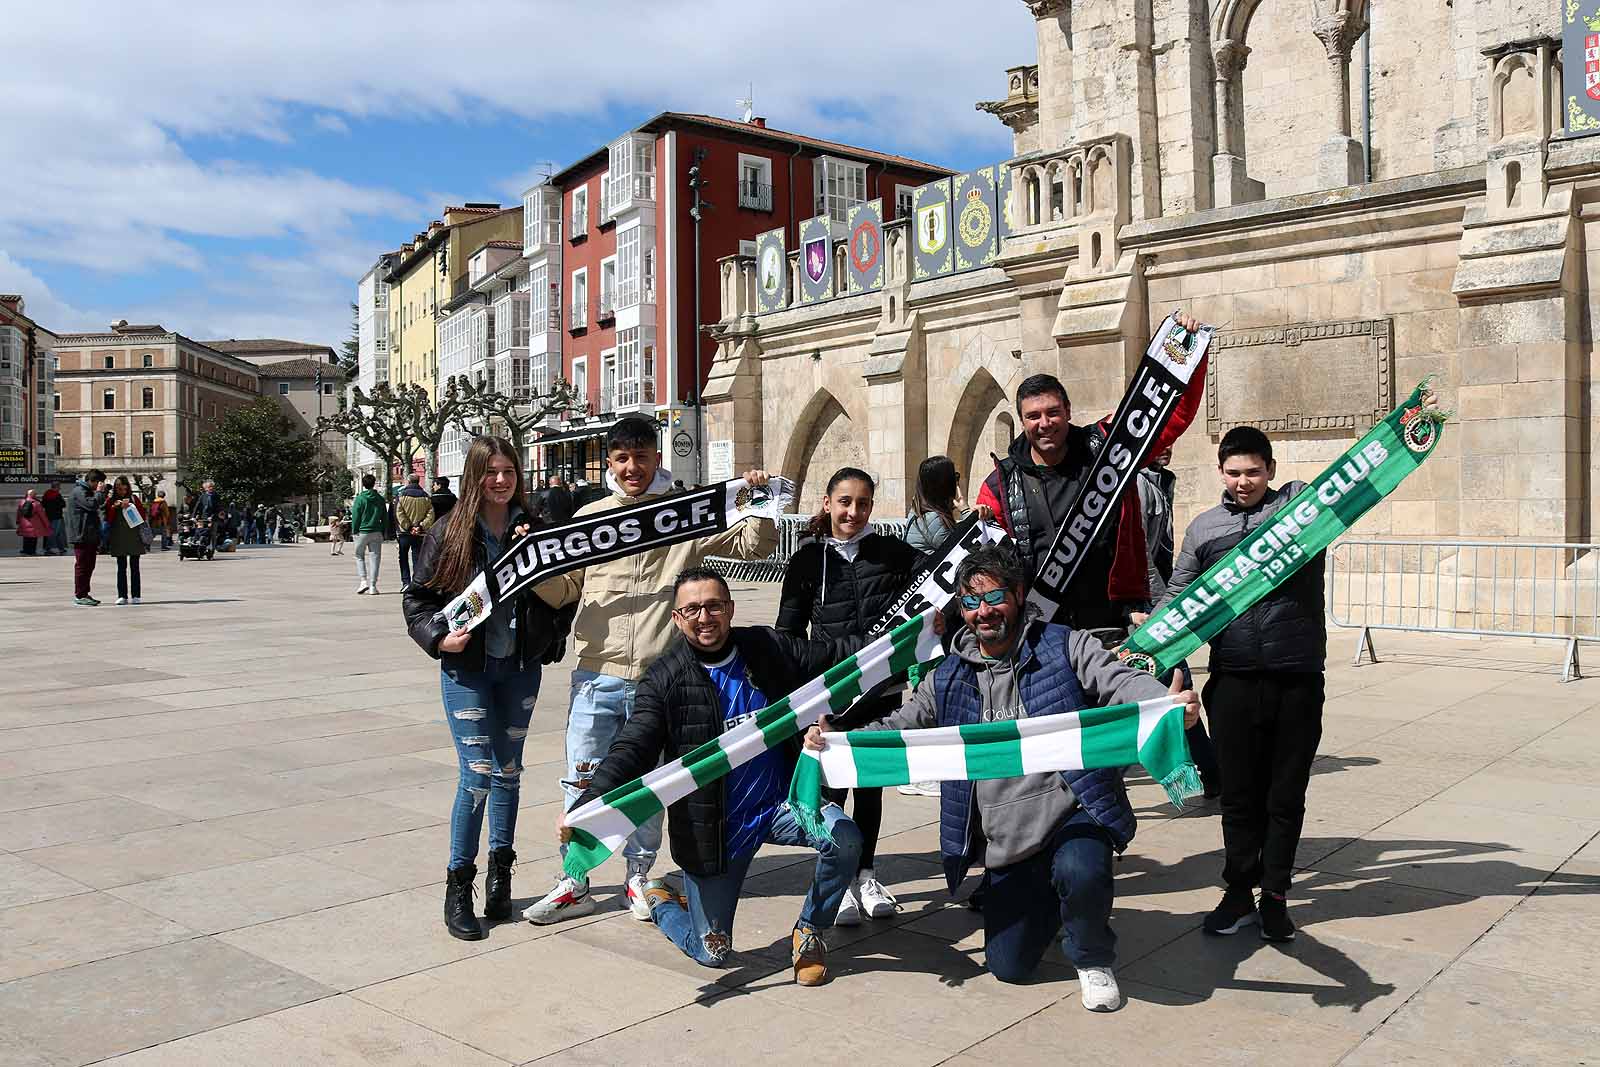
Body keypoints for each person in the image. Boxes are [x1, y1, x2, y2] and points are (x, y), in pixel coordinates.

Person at [805, 546, 1199, 1011]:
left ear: (1018, 594)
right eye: (970, 603)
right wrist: (839, 739)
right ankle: (1053, 904)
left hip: (1071, 808)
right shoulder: (947, 676)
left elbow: (1118, 680)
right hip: (1005, 834)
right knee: (1009, 967)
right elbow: (902, 725)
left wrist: (1166, 706)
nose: (984, 611)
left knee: (1081, 869)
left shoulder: (1065, 645)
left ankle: (1092, 955)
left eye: (995, 597)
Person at [524, 415, 780, 925]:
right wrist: (534, 568)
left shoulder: (681, 513)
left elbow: (752, 548)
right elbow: (566, 588)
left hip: (661, 679)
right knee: (581, 780)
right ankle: (574, 878)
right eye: (621, 458)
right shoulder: (589, 518)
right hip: (596, 674)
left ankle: (638, 876)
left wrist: (760, 502)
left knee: (649, 783)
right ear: (610, 463)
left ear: (656, 460)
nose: (631, 467)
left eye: (641, 457)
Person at [563, 568, 864, 985]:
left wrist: (914, 635)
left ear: (730, 609)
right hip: (716, 828)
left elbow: (839, 655)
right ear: (676, 618)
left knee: (845, 838)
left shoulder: (765, 647)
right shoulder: (664, 680)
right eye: (692, 609)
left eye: (714, 606)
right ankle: (661, 898)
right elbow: (632, 749)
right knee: (713, 954)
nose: (704, 617)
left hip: (785, 804)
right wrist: (586, 805)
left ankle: (810, 930)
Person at [1156, 426, 1325, 945]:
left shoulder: (1302, 513)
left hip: (1295, 679)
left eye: (1254, 471)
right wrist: (1163, 656)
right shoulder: (1205, 529)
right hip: (1231, 682)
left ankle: (1274, 896)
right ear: (1220, 475)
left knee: (1285, 796)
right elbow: (1178, 598)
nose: (1244, 481)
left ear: (1270, 470)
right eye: (1233, 472)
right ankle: (1238, 891)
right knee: (1239, 798)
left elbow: (1349, 481)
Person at [404, 436, 573, 941]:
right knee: (476, 775)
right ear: (473, 476)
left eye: (509, 472)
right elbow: (417, 600)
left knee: (509, 773)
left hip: (520, 669)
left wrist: (552, 637)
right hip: (469, 671)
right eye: (490, 472)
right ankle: (459, 886)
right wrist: (437, 638)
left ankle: (502, 874)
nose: (501, 481)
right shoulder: (449, 533)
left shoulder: (534, 530)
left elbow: (564, 593)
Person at [975, 313, 1203, 632]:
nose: (1045, 423)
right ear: (1022, 420)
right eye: (1033, 416)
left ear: (1068, 412)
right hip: (1042, 627)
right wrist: (977, 526)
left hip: (1112, 620)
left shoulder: (1108, 448)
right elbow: (985, 567)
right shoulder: (999, 484)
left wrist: (1191, 354)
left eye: (1053, 413)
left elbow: (1172, 418)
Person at [777, 467, 920, 925]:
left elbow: (940, 580)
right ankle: (837, 879)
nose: (852, 512)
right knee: (833, 787)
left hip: (881, 691)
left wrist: (973, 526)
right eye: (844, 502)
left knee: (871, 785)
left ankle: (866, 873)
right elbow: (788, 631)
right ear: (827, 503)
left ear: (872, 507)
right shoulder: (807, 561)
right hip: (831, 692)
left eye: (862, 503)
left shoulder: (893, 554)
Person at [1133, 449, 1220, 797]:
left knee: (1177, 686)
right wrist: (1158, 610)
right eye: (1161, 438)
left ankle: (1211, 771)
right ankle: (1211, 771)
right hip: (1149, 608)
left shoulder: (1157, 480)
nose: (1169, 446)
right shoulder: (1137, 484)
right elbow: (1138, 553)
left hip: (1158, 603)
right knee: (1175, 684)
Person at [905, 455, 984, 553]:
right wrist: (965, 511)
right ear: (944, 484)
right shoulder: (932, 520)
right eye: (954, 477)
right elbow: (966, 550)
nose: (956, 483)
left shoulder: (922, 510)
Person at [104, 476, 148, 605]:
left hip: (134, 537)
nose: (122, 492)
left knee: (135, 567)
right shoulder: (111, 500)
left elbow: (142, 516)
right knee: (121, 567)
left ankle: (136, 595)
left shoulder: (134, 499)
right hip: (118, 537)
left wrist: (130, 506)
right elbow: (108, 518)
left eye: (124, 489)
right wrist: (115, 507)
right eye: (119, 489)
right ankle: (122, 595)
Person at [67, 470, 108, 606]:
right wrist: (100, 492)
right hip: (82, 535)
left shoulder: (86, 491)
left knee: (89, 565)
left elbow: (97, 504)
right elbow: (92, 505)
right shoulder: (79, 491)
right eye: (99, 483)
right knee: (82, 566)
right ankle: (79, 595)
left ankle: (84, 593)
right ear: (92, 481)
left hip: (89, 535)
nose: (100, 486)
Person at [395, 473, 436, 591]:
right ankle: (416, 581)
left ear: (408, 481)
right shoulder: (426, 497)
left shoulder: (401, 496)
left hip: (405, 533)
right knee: (417, 557)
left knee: (403, 557)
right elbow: (430, 514)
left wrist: (409, 527)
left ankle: (405, 582)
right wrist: (420, 527)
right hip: (420, 533)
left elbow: (399, 513)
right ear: (418, 482)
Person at [350, 474, 387, 595]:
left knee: (359, 556)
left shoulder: (360, 498)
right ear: (374, 483)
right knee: (375, 558)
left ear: (363, 484)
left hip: (362, 531)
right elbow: (384, 517)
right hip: (376, 530)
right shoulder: (380, 499)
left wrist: (354, 530)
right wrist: (384, 530)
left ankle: (363, 581)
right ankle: (373, 586)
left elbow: (356, 516)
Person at [15, 489, 51, 556]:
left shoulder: (22, 502)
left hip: (24, 524)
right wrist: (47, 524)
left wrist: (18, 521)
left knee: (26, 537)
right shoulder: (36, 503)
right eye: (35, 494)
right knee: (33, 538)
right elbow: (42, 515)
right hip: (34, 525)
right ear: (33, 495)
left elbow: (19, 513)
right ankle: (32, 551)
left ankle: (25, 550)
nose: (36, 495)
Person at [41, 484, 68, 555]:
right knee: (54, 533)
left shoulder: (46, 494)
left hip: (48, 516)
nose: (60, 489)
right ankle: (48, 549)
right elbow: (63, 504)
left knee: (57, 533)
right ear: (56, 487)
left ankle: (61, 548)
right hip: (57, 516)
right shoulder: (57, 495)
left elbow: (43, 504)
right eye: (59, 487)